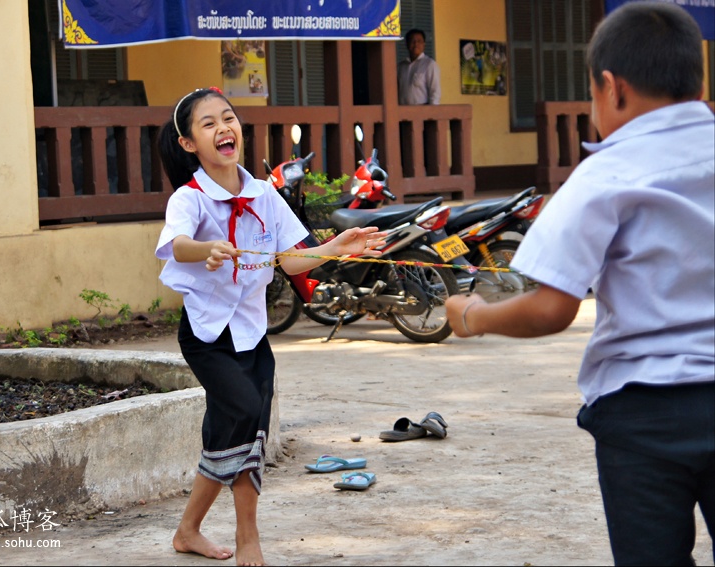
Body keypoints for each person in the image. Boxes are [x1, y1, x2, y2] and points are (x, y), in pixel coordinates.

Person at [445, 3, 714, 565]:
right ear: (700, 76)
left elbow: (552, 308)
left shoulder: (605, 173)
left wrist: (473, 316)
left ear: (611, 90)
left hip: (643, 410)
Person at [155, 86, 385, 566]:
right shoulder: (190, 197)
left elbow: (291, 261)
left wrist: (336, 247)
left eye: (229, 118)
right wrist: (207, 248)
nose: (224, 128)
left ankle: (187, 531)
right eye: (209, 123)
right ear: (188, 143)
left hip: (252, 335)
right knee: (245, 418)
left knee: (229, 431)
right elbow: (176, 244)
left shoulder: (265, 195)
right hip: (207, 336)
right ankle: (247, 538)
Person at [397, 28, 441, 105]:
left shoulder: (429, 64)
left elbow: (435, 92)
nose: (416, 44)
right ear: (407, 44)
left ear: (424, 44)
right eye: (412, 41)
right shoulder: (401, 67)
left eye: (419, 41)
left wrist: (433, 114)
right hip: (402, 112)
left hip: (421, 112)